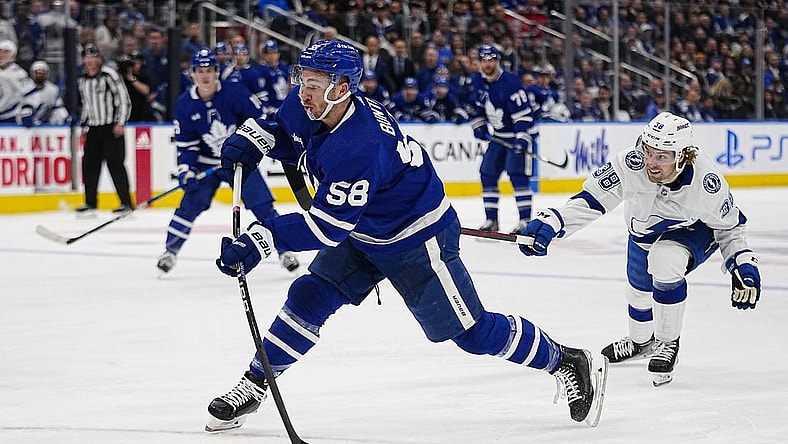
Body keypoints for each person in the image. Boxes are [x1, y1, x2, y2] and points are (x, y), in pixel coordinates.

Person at [206, 40, 608, 433]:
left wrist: (262, 239)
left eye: (314, 83)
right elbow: (289, 133)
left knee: (472, 334)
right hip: (364, 229)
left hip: (418, 241)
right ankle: (257, 384)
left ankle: (566, 361)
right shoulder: (313, 104)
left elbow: (326, 228)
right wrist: (256, 137)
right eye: (302, 79)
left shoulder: (360, 145)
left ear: (342, 88)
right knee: (309, 296)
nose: (303, 92)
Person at [518, 112, 761, 387]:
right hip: (643, 233)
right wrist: (555, 221)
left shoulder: (707, 184)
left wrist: (742, 263)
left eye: (662, 157)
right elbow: (593, 198)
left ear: (683, 156)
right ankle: (640, 342)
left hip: (692, 231)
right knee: (637, 291)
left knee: (664, 261)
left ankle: (668, 342)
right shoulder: (631, 163)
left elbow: (730, 227)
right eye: (648, 151)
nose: (651, 163)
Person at [156, 48, 298, 275]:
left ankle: (284, 251)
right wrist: (187, 171)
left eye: (210, 70)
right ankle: (169, 251)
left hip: (238, 163)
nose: (205, 76)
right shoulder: (184, 104)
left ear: (216, 71)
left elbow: (258, 119)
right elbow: (187, 145)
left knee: (263, 206)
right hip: (206, 164)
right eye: (200, 71)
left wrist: (245, 149)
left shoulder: (235, 93)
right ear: (192, 73)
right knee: (188, 207)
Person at [470, 45, 539, 235]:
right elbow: (476, 107)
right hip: (499, 137)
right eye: (484, 60)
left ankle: (526, 221)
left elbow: (524, 116)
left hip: (518, 135)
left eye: (491, 60)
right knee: (487, 173)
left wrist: (523, 139)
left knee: (517, 176)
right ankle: (491, 219)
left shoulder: (510, 83)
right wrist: (478, 125)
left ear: (497, 61)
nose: (487, 64)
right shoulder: (477, 81)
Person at [75, 43, 134, 216]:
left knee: (115, 164)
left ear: (99, 59)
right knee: (89, 165)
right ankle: (90, 202)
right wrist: (83, 124)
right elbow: (86, 104)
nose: (90, 61)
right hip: (94, 128)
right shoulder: (82, 80)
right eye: (87, 57)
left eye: (93, 57)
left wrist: (120, 122)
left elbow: (124, 100)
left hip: (111, 127)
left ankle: (126, 203)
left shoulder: (110, 75)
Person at [16, 60, 68, 127]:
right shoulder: (25, 87)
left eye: (42, 73)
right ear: (32, 73)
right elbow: (21, 107)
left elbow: (58, 107)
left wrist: (65, 118)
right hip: (25, 124)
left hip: (47, 123)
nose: (40, 76)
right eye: (38, 73)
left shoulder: (53, 89)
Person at [0, 40, 36, 124]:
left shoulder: (18, 74)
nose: (1, 55)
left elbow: (32, 94)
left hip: (10, 118)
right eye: (0, 51)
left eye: (6, 52)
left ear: (13, 55)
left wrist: (27, 109)